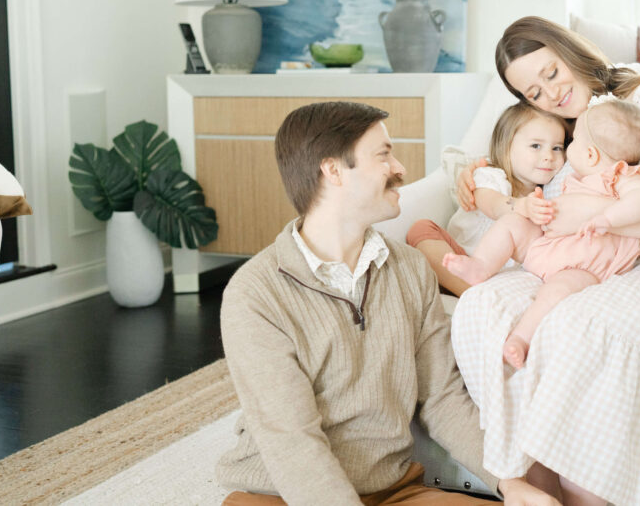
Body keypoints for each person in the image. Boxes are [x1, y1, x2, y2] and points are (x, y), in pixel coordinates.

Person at [450, 17, 640, 506]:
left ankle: (588, 495)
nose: (549, 94)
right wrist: (482, 175)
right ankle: (533, 488)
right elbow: (523, 184)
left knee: (580, 324)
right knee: (484, 306)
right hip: (579, 257)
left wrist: (603, 218)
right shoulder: (557, 130)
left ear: (571, 51)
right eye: (532, 92)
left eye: (551, 73)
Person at [216, 101, 559, 506]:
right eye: (383, 155)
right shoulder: (254, 294)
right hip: (282, 494)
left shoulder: (410, 268)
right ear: (333, 171)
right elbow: (291, 439)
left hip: (393, 490)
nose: (400, 168)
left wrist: (509, 483)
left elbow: (442, 398)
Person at [443, 99, 640, 369]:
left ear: (591, 155)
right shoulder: (572, 179)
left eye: (571, 143)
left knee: (557, 291)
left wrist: (609, 219)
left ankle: (521, 338)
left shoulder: (624, 177)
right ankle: (481, 266)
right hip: (548, 246)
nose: (564, 152)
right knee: (513, 223)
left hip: (583, 266)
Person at [406, 103, 568, 297]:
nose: (549, 156)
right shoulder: (489, 176)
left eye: (557, 148)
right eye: (536, 146)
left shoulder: (552, 190)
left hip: (508, 274)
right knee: (421, 228)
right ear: (506, 147)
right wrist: (521, 205)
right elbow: (494, 205)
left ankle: (479, 292)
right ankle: (469, 291)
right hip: (462, 258)